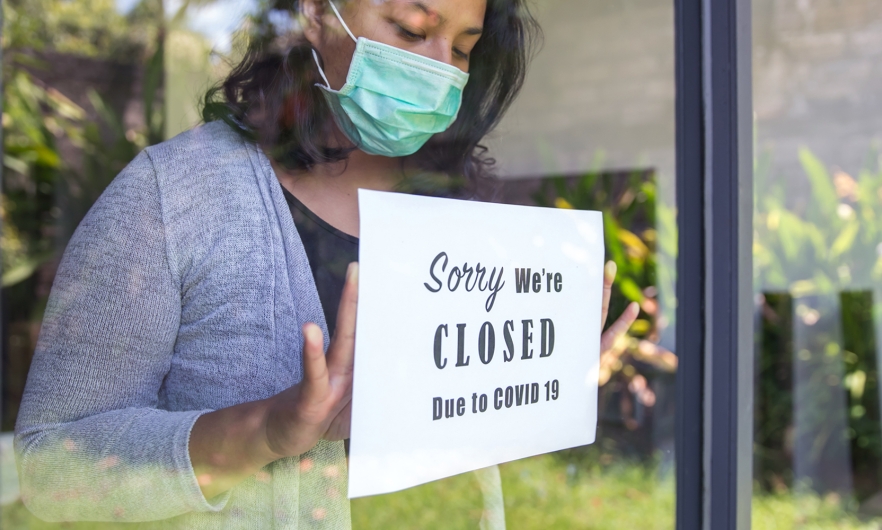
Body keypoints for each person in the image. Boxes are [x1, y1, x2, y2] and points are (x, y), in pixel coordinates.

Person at [14, 0, 640, 528]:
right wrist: (264, 432)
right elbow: (49, 470)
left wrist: (541, 380)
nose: (437, 69)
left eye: (462, 49)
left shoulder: (458, 211)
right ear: (316, 10)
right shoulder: (172, 196)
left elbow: (454, 444)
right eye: (412, 30)